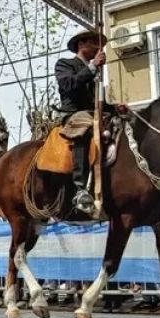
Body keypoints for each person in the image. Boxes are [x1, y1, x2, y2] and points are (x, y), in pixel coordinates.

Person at [54, 29, 107, 215]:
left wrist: (117, 108)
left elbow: (97, 102)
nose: (99, 48)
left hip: (94, 113)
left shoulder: (96, 74)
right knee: (84, 127)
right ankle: (80, 188)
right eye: (94, 43)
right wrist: (92, 67)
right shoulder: (65, 64)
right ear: (81, 44)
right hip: (73, 114)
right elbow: (68, 85)